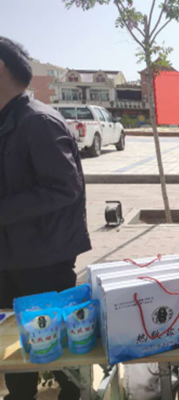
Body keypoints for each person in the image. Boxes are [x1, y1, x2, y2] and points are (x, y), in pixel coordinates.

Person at [0, 36, 91, 400]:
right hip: (12, 255)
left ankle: (73, 393)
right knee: (14, 343)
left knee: (59, 344)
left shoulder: (37, 121)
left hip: (42, 259)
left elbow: (63, 187)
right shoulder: (9, 120)